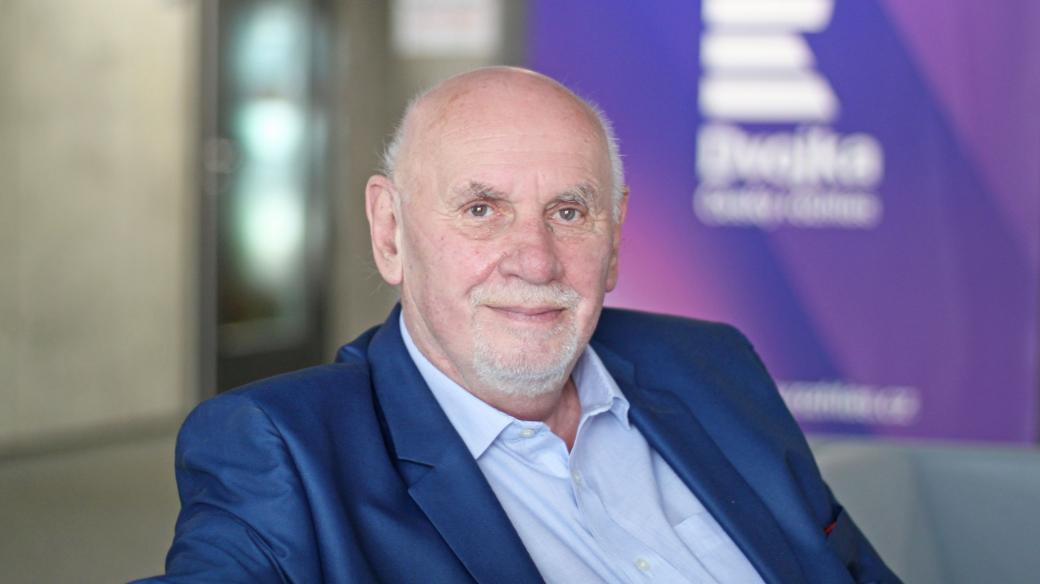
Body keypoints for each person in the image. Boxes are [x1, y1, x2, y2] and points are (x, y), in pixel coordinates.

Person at [139, 67, 900, 583]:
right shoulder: (283, 451)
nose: (535, 260)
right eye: (481, 210)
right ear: (391, 232)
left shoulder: (713, 365)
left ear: (614, 239)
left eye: (568, 212)